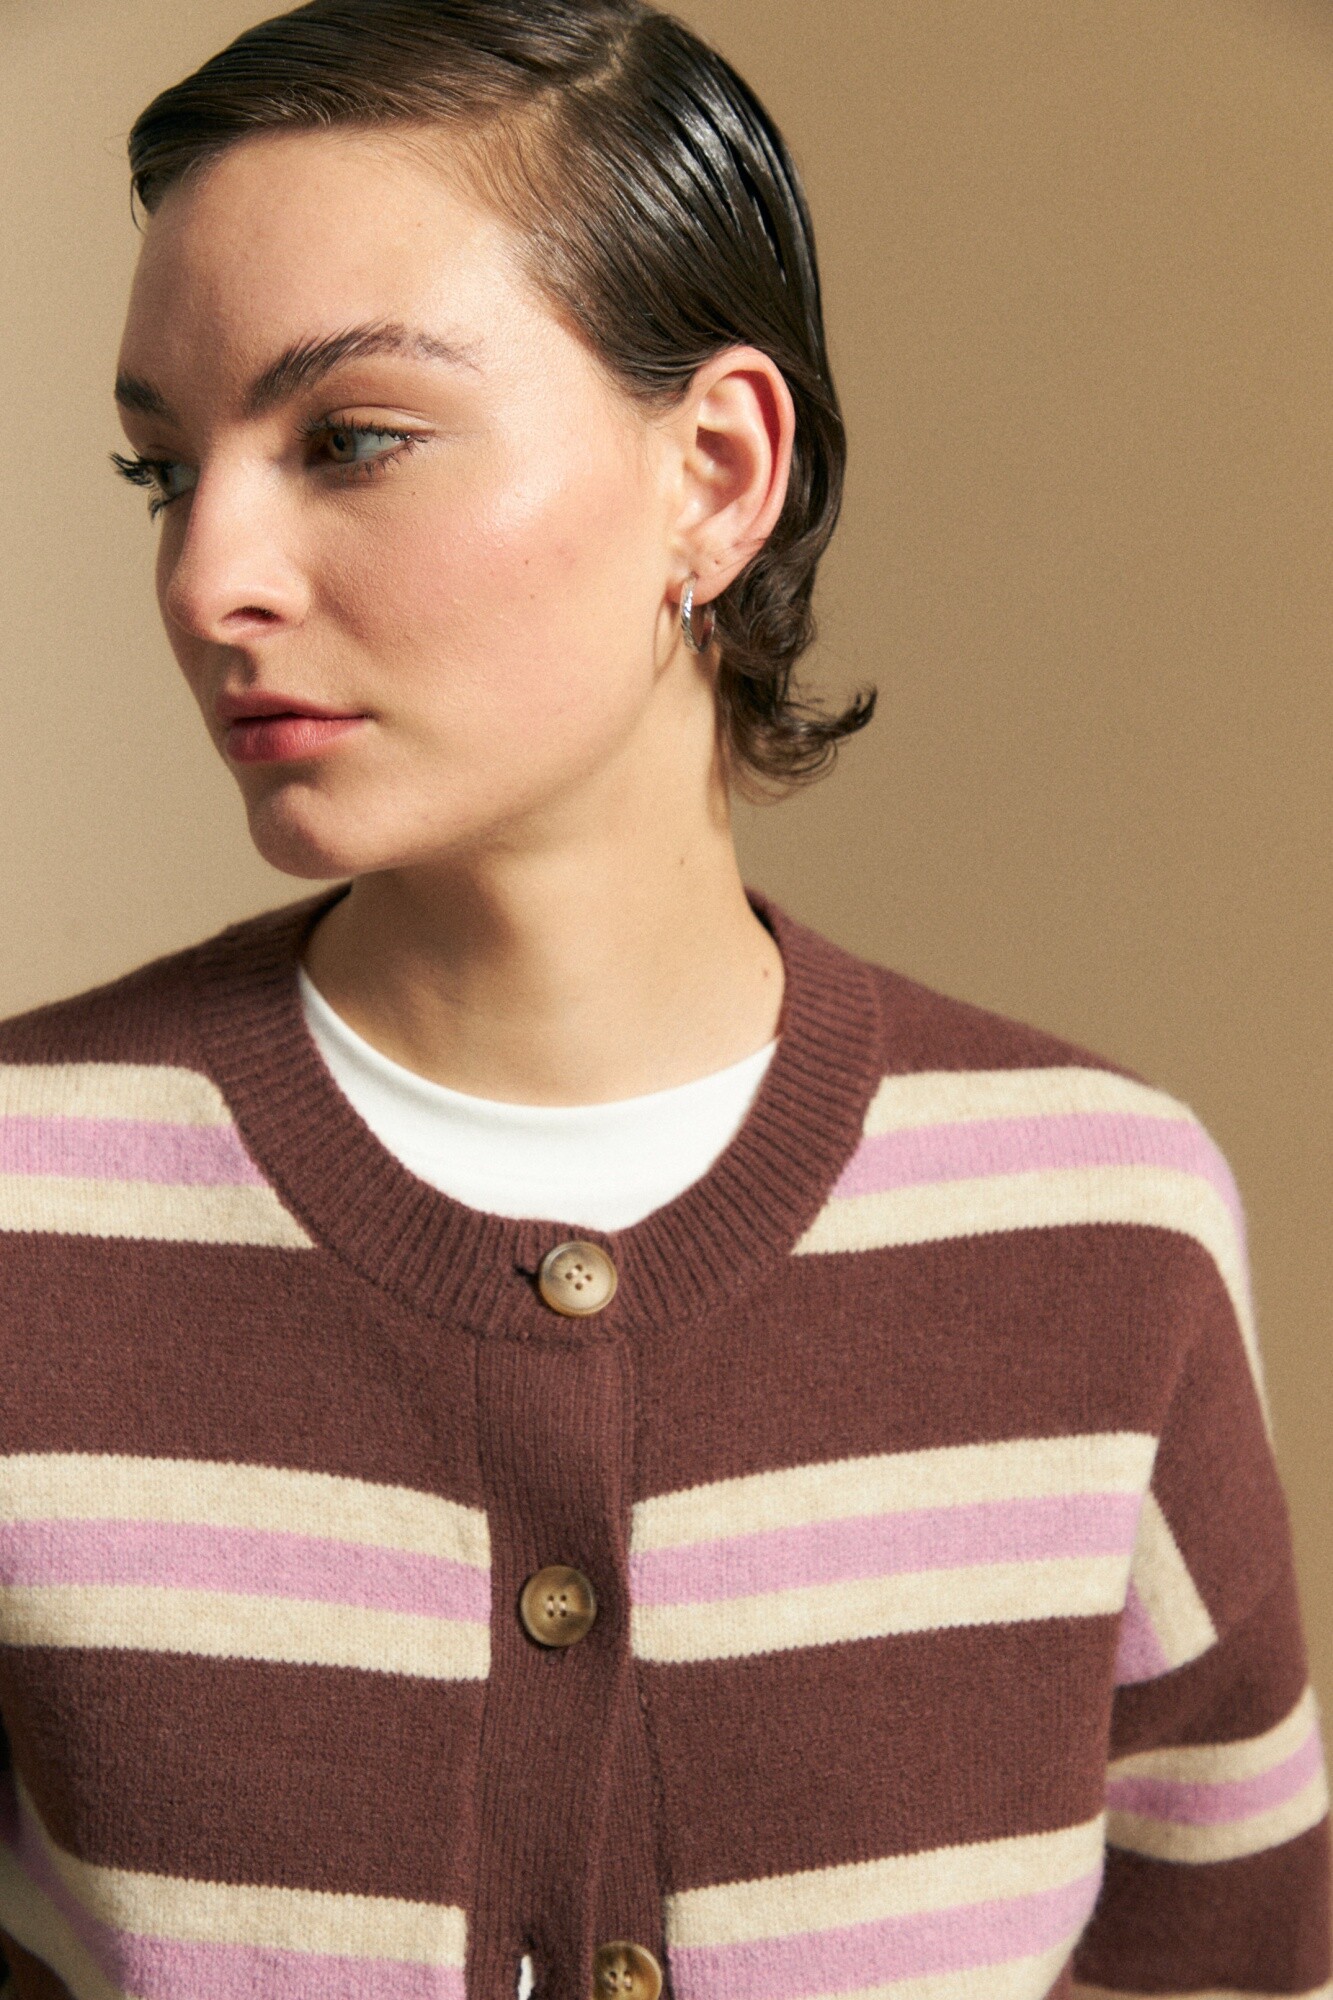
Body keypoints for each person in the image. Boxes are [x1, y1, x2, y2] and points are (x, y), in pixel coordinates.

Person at [0, 2, 1327, 1996]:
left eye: (347, 439)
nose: (207, 579)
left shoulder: (1098, 1227)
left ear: (715, 471)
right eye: (164, 470)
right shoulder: (25, 1209)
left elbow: (1227, 1957)